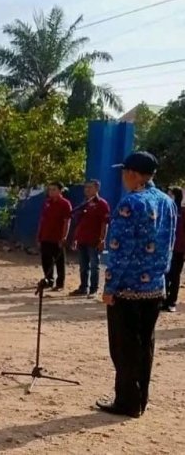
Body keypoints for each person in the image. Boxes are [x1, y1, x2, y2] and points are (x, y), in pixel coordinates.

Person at [96, 151, 176, 419]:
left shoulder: (131, 204)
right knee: (145, 344)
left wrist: (109, 287)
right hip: (155, 286)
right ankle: (141, 398)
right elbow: (170, 244)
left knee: (124, 346)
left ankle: (127, 402)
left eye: (124, 172)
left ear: (132, 174)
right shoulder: (167, 201)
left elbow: (119, 251)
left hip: (128, 288)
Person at [70, 180, 110, 297]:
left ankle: (93, 289)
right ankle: (83, 287)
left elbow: (105, 223)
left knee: (94, 265)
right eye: (85, 187)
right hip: (82, 239)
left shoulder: (102, 204)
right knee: (83, 266)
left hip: (94, 240)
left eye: (90, 187)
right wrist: (75, 238)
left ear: (97, 189)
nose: (87, 190)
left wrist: (102, 240)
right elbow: (79, 223)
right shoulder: (84, 204)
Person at [36, 182, 72, 291]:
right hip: (46, 236)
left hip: (57, 237)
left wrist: (64, 236)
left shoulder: (65, 204)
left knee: (59, 261)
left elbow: (67, 221)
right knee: (46, 260)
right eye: (50, 189)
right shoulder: (47, 203)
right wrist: (39, 235)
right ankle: (48, 280)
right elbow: (42, 220)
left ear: (60, 191)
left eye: (54, 189)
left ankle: (60, 283)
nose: (51, 191)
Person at [164, 186, 184, 312]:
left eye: (170, 194)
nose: (168, 196)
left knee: (175, 276)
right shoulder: (166, 210)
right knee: (165, 275)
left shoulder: (183, 212)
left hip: (178, 250)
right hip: (165, 249)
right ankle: (163, 300)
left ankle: (172, 301)